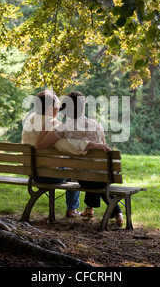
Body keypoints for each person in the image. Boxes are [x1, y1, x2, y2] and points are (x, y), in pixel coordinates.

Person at [35, 91, 124, 227]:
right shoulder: (97, 125)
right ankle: (113, 212)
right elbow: (104, 150)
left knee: (88, 173)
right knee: (94, 172)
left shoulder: (63, 128)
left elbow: (39, 145)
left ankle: (92, 210)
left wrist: (47, 124)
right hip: (104, 175)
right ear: (83, 107)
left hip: (83, 177)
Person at [21, 90, 108, 218]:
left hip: (31, 171)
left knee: (68, 164)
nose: (60, 107)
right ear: (51, 108)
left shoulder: (31, 119)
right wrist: (90, 144)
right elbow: (66, 145)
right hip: (47, 174)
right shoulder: (52, 125)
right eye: (58, 104)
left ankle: (86, 207)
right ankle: (72, 208)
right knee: (71, 165)